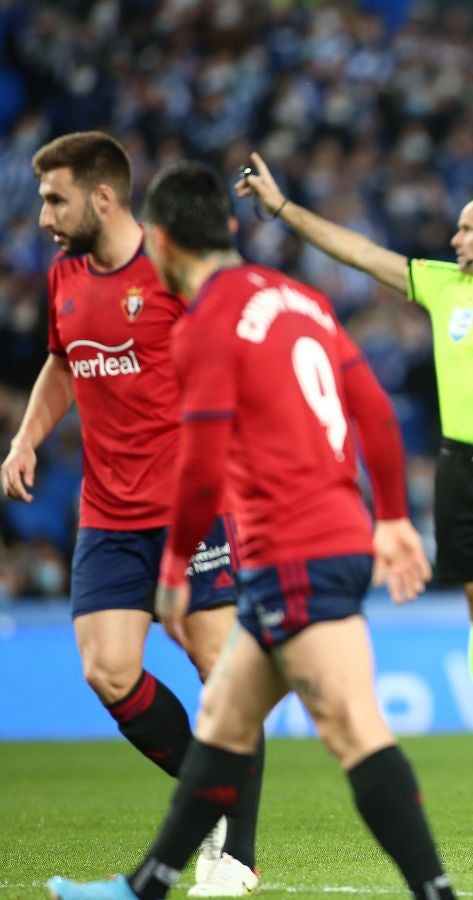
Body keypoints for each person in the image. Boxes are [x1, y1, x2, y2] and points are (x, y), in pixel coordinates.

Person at [48, 161, 455, 899]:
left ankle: (437, 892)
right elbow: (376, 412)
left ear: (163, 243)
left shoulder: (205, 321)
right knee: (225, 719)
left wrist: (172, 571)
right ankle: (142, 888)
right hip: (322, 538)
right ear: (232, 228)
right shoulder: (299, 298)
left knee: (355, 729)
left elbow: (200, 468)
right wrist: (392, 516)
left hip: (298, 548)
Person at [235, 153, 473, 801]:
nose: (455, 240)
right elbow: (359, 253)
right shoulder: (444, 286)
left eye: (466, 230)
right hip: (461, 469)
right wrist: (281, 210)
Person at [1, 132, 263, 894]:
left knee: (221, 667)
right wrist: (24, 441)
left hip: (193, 507)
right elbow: (63, 361)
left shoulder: (177, 268)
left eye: (55, 198)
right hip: (109, 512)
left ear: (102, 196)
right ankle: (207, 799)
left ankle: (237, 854)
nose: (43, 213)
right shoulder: (64, 278)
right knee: (108, 670)